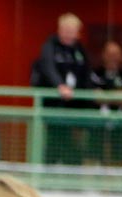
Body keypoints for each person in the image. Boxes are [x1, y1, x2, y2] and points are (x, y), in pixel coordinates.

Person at [30, 13, 94, 165]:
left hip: (74, 108)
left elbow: (86, 73)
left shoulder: (79, 50)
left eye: (73, 31)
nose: (69, 34)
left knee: (74, 145)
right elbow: (47, 67)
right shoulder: (50, 46)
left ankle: (73, 178)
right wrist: (60, 85)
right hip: (53, 105)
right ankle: (48, 175)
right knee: (54, 142)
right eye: (66, 30)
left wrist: (90, 93)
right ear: (60, 29)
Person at [90, 41, 122, 167]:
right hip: (98, 123)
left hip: (120, 123)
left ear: (121, 56)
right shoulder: (96, 73)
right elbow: (96, 98)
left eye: (116, 54)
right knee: (95, 156)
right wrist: (119, 95)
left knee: (119, 157)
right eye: (109, 54)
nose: (113, 57)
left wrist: (106, 96)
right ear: (103, 55)